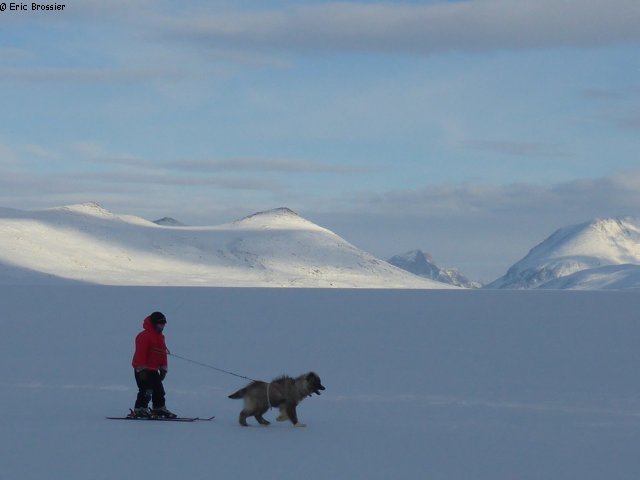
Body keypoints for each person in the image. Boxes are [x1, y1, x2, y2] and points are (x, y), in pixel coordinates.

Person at [131, 311, 177, 418]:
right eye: (160, 323)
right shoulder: (143, 336)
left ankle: (159, 408)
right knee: (146, 389)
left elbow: (162, 354)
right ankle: (140, 408)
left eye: (164, 324)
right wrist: (141, 369)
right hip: (142, 369)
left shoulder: (160, 337)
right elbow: (140, 354)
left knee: (159, 390)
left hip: (154, 369)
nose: (162, 326)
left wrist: (163, 368)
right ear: (153, 323)